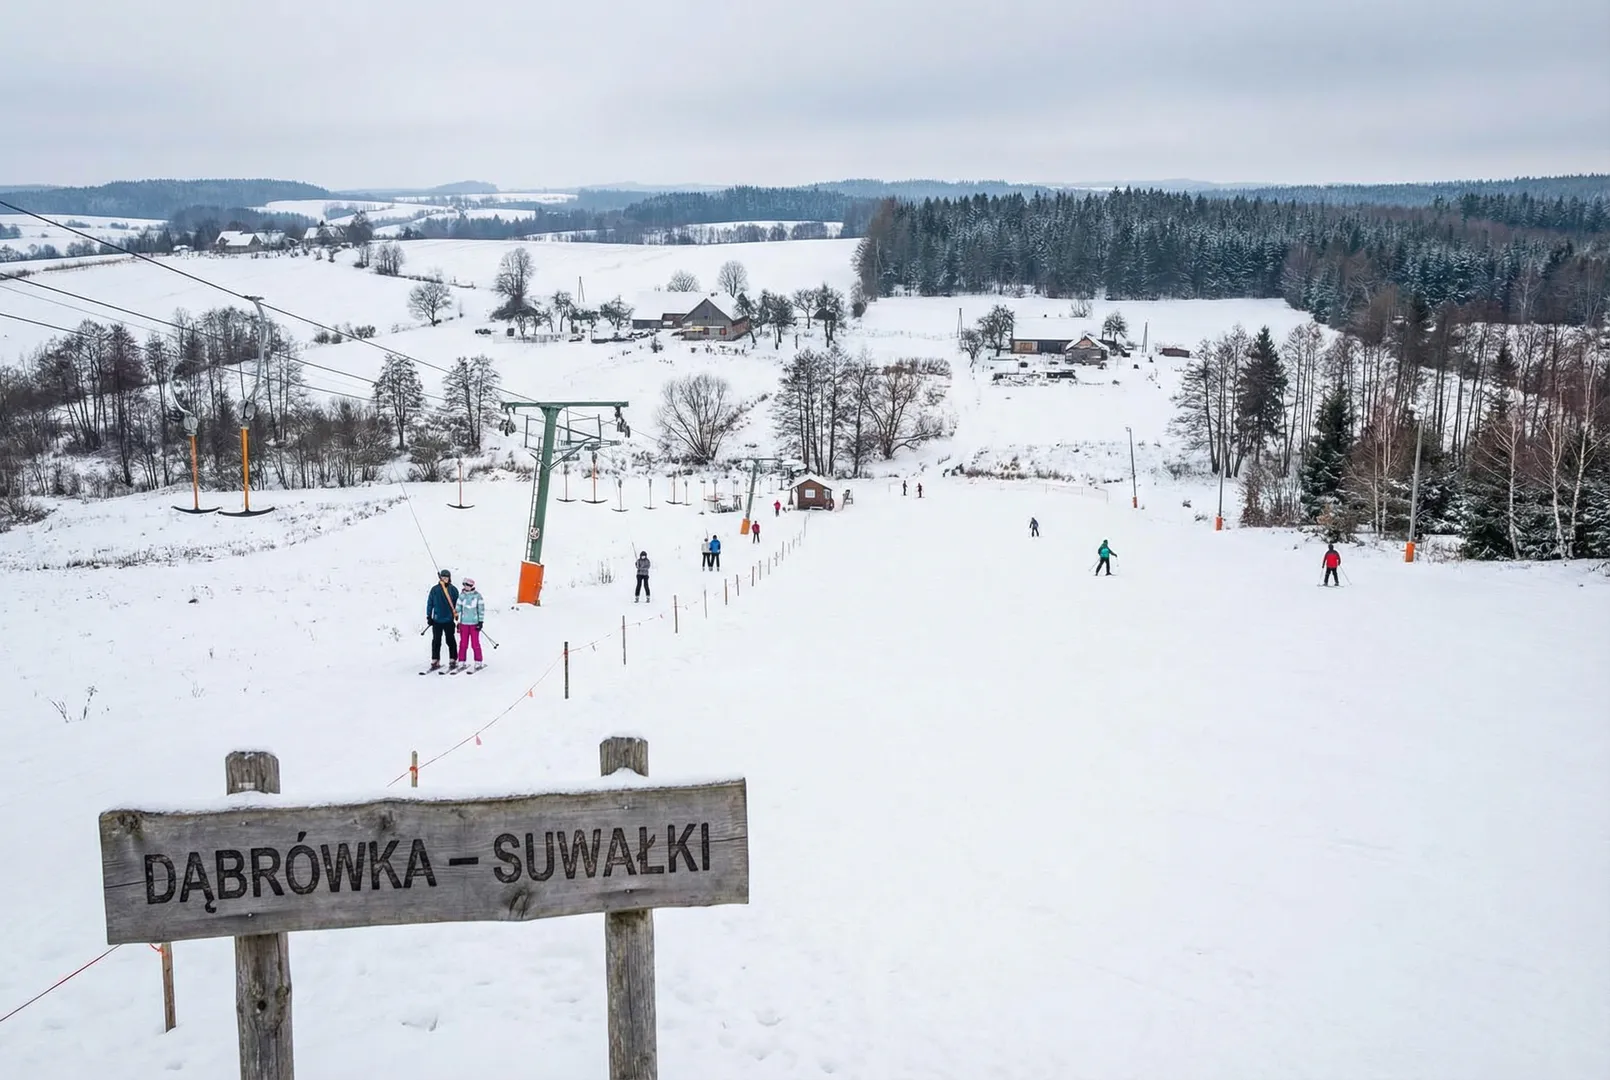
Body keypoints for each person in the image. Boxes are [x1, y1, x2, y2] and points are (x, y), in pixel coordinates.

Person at [425, 570, 459, 671]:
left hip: (448, 620)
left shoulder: (453, 590)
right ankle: (435, 660)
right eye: (443, 578)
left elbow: (458, 604)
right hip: (437, 620)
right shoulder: (434, 590)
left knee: (450, 640)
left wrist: (457, 615)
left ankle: (453, 659)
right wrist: (429, 616)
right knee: (436, 641)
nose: (444, 579)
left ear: (449, 578)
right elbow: (430, 603)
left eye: (446, 578)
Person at [456, 578, 486, 671]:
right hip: (464, 623)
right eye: (465, 585)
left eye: (468, 585)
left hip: (474, 624)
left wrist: (480, 622)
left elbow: (481, 610)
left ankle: (478, 661)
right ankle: (461, 660)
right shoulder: (462, 596)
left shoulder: (478, 596)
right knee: (463, 643)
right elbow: (458, 609)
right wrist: (457, 619)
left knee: (475, 643)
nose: (466, 587)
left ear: (472, 586)